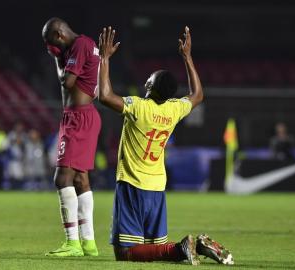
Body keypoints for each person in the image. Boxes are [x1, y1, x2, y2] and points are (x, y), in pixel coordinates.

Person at [97, 26, 233, 265]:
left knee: (126, 253)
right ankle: (195, 246)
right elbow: (198, 94)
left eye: (148, 80)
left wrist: (105, 58)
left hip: (132, 184)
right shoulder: (173, 109)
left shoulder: (138, 107)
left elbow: (105, 96)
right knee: (155, 251)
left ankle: (182, 249)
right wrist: (188, 57)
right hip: (157, 186)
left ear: (149, 87)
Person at [42, 17, 100, 257]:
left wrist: (57, 59)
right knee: (80, 180)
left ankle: (72, 243)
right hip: (81, 116)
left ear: (59, 35)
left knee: (62, 178)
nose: (51, 48)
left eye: (50, 42)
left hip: (78, 117)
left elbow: (67, 81)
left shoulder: (78, 45)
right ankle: (89, 243)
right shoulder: (85, 44)